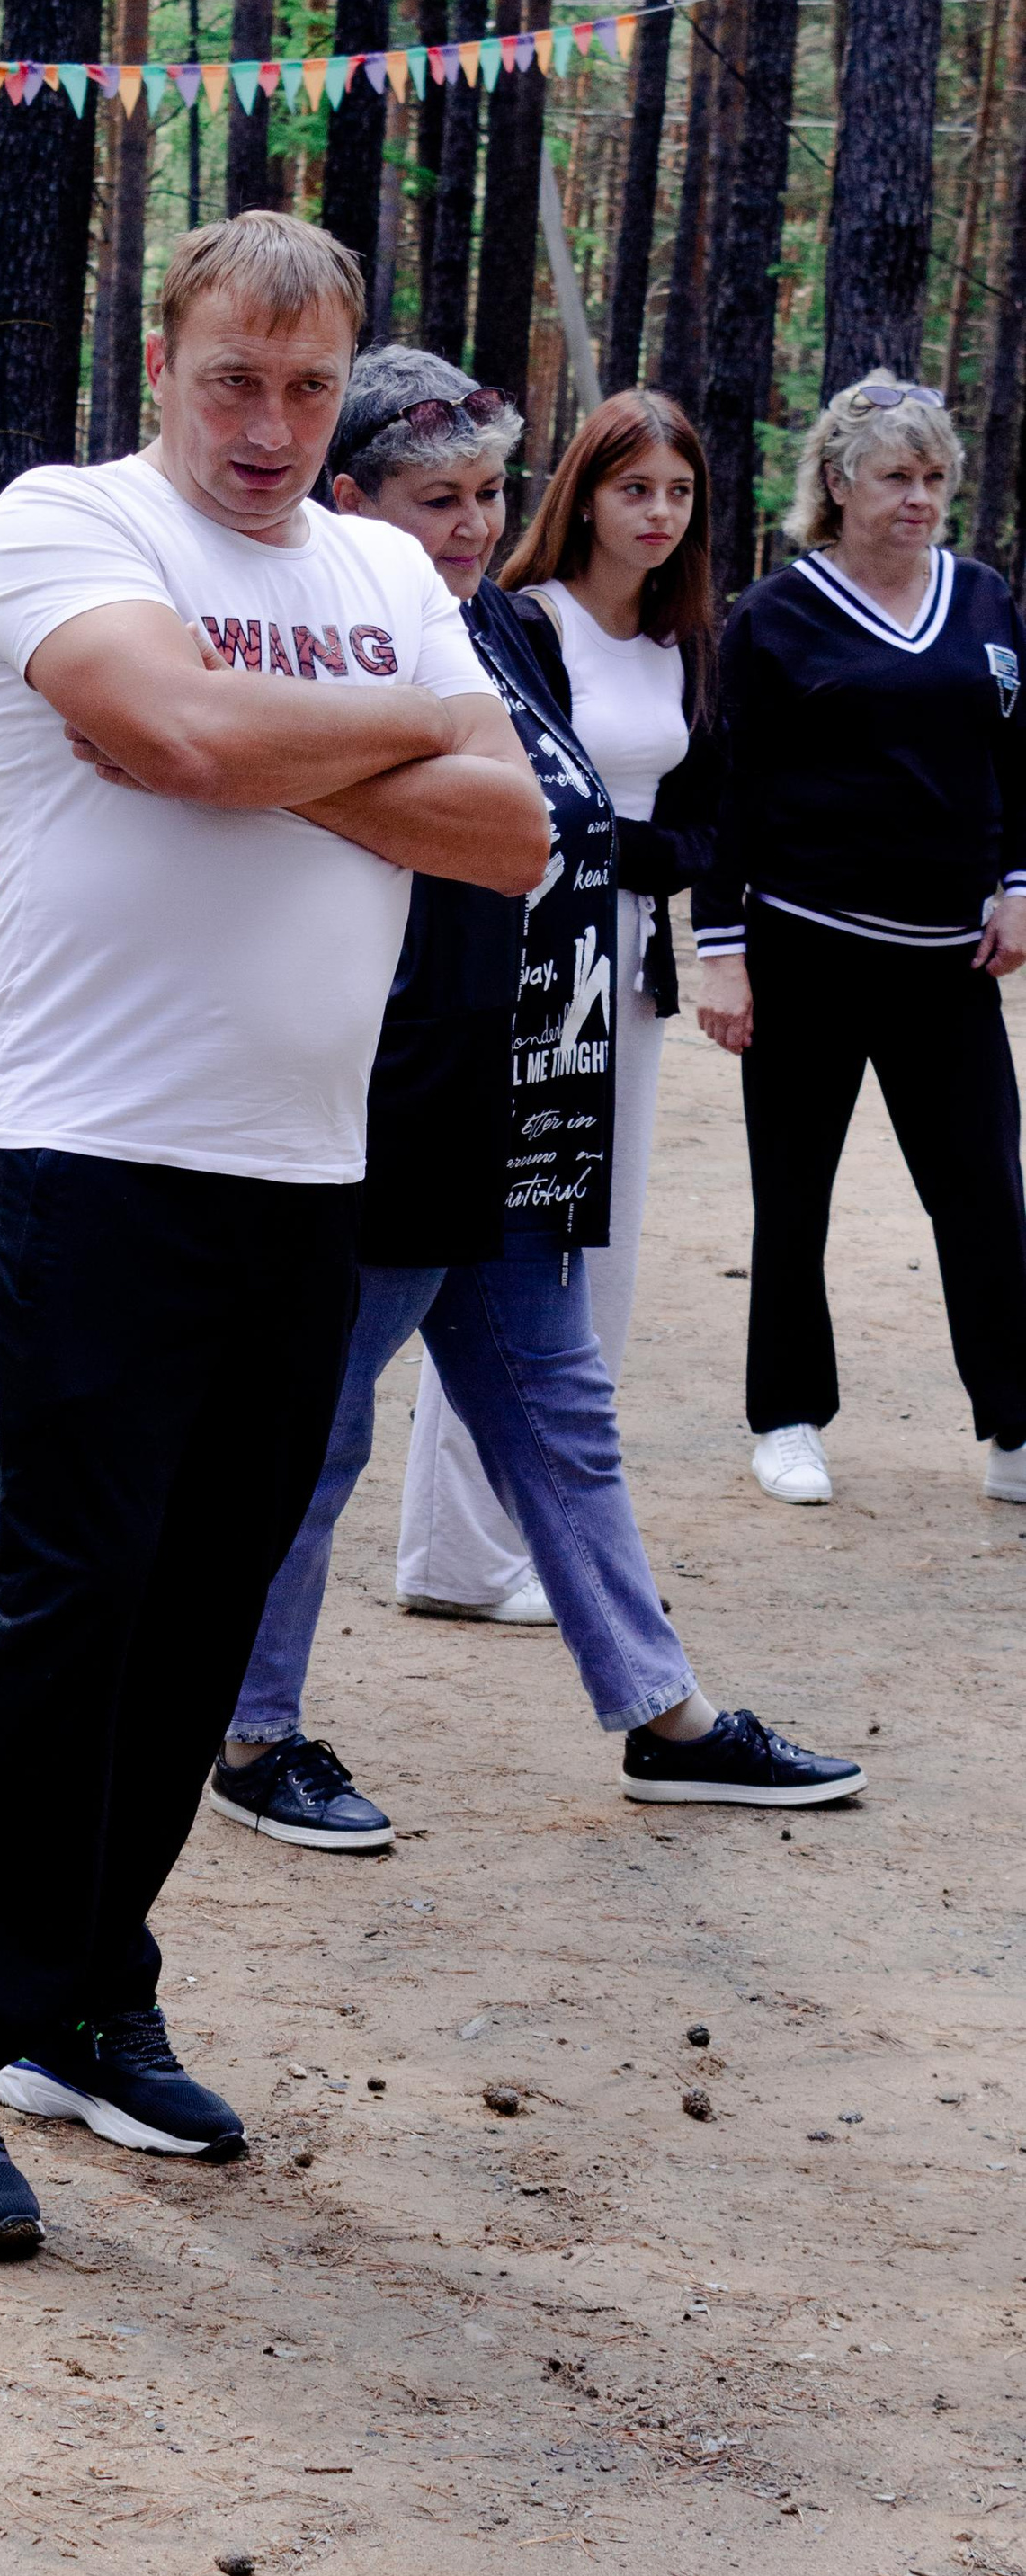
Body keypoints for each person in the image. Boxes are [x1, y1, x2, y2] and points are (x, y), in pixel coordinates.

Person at [0, 216, 548, 2257]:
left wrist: (272, 742)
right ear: (160, 357)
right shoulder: (68, 523)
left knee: (201, 1599)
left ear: (343, 391)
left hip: (304, 1175)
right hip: (96, 1152)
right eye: (229, 377)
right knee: (66, 1594)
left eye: (304, 387)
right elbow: (174, 742)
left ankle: (80, 1990)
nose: (263, 425)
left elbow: (510, 832)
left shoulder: (373, 568)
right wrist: (375, 737)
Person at [205, 349, 864, 1855]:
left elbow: (584, 827)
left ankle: (662, 1715)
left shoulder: (503, 630)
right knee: (317, 1433)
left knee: (563, 1418)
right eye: (434, 498)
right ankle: (250, 1731)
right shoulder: (314, 639)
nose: (466, 525)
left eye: (488, 494)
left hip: (520, 1093)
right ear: (346, 495)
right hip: (376, 1101)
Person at [393, 390, 720, 1620]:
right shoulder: (522, 623)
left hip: (624, 976)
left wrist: (646, 859)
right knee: (504, 1243)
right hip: (523, 964)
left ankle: (526, 1542)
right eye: (635, 487)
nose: (657, 513)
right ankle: (457, 1555)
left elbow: (710, 823)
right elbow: (527, 803)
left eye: (679, 493)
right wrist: (629, 850)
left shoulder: (689, 640)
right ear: (583, 491)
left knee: (598, 1253)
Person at [692, 372, 1026, 1506]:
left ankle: (1015, 1430)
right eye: (895, 476)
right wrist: (722, 950)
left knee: (986, 1194)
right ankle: (787, 1417)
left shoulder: (981, 600)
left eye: (934, 477)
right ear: (836, 485)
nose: (919, 497)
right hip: (805, 954)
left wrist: (1017, 885)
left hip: (948, 965)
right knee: (794, 1195)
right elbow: (727, 793)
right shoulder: (772, 619)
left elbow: (1016, 762)